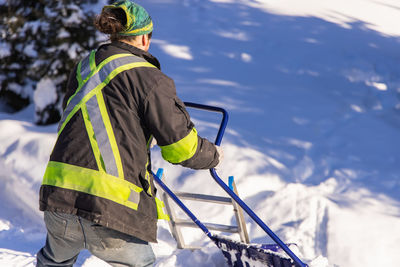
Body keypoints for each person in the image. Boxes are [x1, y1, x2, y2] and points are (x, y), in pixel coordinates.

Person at [36, 1, 222, 266]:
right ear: (145, 38)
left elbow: (82, 118)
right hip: (109, 209)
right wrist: (213, 155)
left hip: (59, 199)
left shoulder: (84, 67)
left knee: (54, 262)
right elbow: (182, 148)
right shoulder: (150, 79)